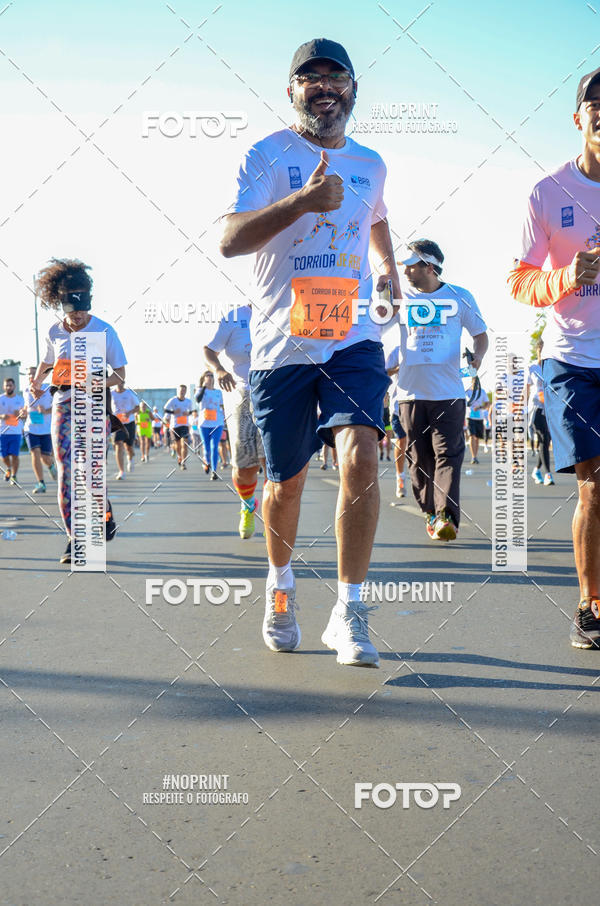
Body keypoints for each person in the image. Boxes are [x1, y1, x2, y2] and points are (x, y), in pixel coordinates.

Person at [220, 38, 398, 666]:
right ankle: (281, 589)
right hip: (281, 344)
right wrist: (300, 201)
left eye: (336, 77)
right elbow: (229, 240)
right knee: (286, 485)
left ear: (353, 89)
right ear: (291, 91)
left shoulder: (371, 163)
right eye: (310, 78)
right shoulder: (266, 154)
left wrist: (389, 269)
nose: (325, 87)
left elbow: (375, 217)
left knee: (361, 456)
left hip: (352, 336)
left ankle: (349, 612)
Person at [507, 67, 600, 649]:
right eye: (597, 103)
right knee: (595, 485)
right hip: (572, 360)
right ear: (579, 118)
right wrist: (568, 275)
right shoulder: (549, 193)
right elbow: (519, 281)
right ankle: (592, 606)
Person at [390, 239, 488, 541]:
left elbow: (480, 335)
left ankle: (446, 515)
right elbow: (374, 321)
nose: (405, 270)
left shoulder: (460, 297)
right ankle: (430, 512)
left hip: (448, 393)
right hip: (409, 394)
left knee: (448, 455)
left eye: (411, 265)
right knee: (419, 460)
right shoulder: (399, 296)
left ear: (429, 267)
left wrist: (478, 356)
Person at [30, 258, 126, 564]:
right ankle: (75, 539)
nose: (79, 317)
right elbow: (47, 363)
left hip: (94, 406)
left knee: (90, 473)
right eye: (72, 311)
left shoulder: (104, 330)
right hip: (63, 405)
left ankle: (103, 511)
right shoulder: (54, 332)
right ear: (61, 306)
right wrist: (37, 380)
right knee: (67, 472)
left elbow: (121, 378)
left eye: (83, 309)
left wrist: (92, 383)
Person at [204, 304, 266, 538]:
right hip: (242, 393)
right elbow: (209, 350)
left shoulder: (288, 306)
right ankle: (248, 504)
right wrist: (219, 369)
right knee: (244, 469)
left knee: (274, 465)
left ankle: (275, 524)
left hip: (278, 393)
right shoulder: (234, 317)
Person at [22, 365, 57, 493]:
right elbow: (26, 407)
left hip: (46, 429)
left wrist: (46, 410)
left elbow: (58, 408)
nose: (31, 376)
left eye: (33, 373)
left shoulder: (49, 388)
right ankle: (40, 483)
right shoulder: (26, 390)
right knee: (35, 453)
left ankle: (51, 466)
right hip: (30, 428)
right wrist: (23, 412)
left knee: (45, 458)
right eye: (29, 374)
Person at [528, 339, 554, 486]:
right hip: (535, 409)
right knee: (544, 437)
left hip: (549, 410)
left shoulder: (552, 368)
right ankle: (548, 474)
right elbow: (526, 390)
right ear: (538, 351)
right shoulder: (532, 368)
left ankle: (536, 469)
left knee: (546, 440)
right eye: (541, 350)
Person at [195, 372, 225, 480]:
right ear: (204, 378)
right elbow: (197, 399)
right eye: (207, 375)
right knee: (207, 449)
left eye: (211, 375)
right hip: (204, 424)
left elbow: (222, 406)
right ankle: (206, 462)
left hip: (217, 423)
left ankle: (214, 471)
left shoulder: (218, 392)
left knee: (214, 447)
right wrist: (203, 387)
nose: (210, 377)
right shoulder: (200, 390)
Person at [111, 381, 139, 478]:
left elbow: (138, 408)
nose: (120, 383)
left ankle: (130, 458)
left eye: (122, 382)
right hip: (117, 424)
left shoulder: (129, 394)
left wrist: (129, 412)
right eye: (118, 382)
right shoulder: (111, 394)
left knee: (129, 447)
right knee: (118, 444)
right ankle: (121, 471)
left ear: (124, 383)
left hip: (129, 423)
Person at [0, 377, 25, 486]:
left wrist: (19, 414)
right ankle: (9, 468)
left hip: (16, 431)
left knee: (15, 455)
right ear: (3, 387)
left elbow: (24, 414)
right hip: (3, 431)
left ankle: (14, 476)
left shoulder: (20, 399)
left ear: (14, 386)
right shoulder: (1, 398)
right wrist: (2, 416)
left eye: (10, 385)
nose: (9, 387)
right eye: (7, 385)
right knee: (3, 456)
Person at [163, 385, 193, 470]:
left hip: (185, 425)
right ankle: (179, 456)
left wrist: (188, 413)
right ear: (178, 391)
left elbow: (191, 411)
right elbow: (165, 409)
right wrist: (173, 412)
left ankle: (183, 462)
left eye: (184, 390)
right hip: (175, 426)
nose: (182, 392)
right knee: (178, 445)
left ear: (185, 391)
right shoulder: (173, 400)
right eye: (181, 390)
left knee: (185, 444)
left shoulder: (188, 401)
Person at [466, 377, 489, 465]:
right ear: (472, 383)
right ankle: (473, 457)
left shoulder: (482, 392)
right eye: (474, 382)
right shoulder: (467, 392)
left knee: (477, 438)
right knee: (472, 436)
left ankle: (476, 456)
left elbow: (487, 404)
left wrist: (479, 407)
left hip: (479, 417)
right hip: (470, 417)